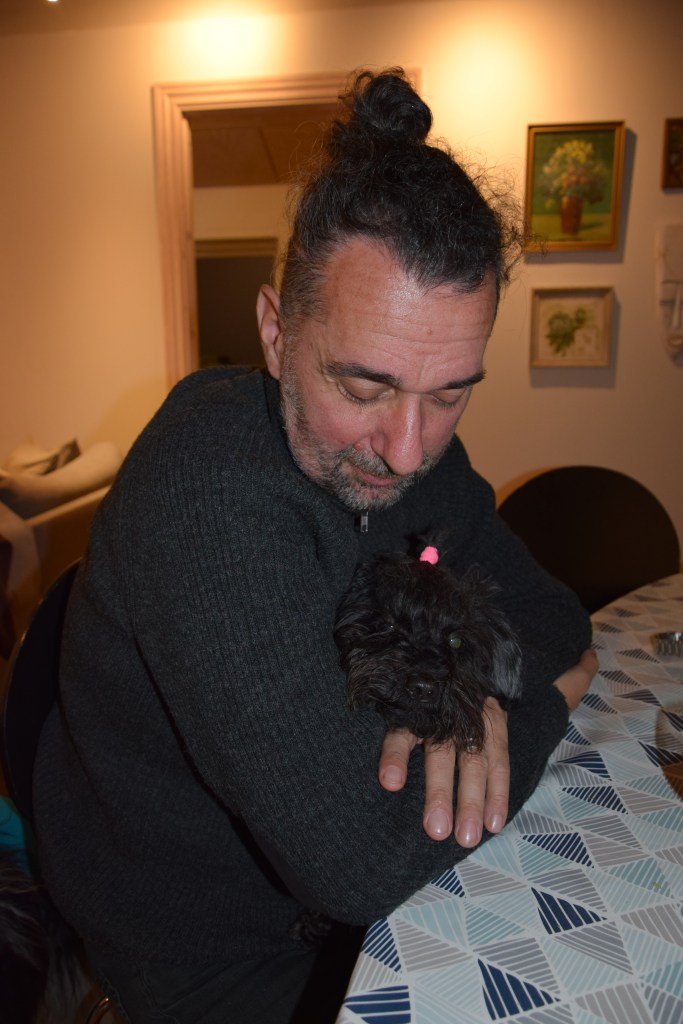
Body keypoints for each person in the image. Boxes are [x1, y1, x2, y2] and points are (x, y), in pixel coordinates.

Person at [33, 69, 596, 1024]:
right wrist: (535, 702)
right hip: (200, 947)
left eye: (449, 393)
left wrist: (470, 700)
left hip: (341, 903)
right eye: (363, 387)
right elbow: (360, 858)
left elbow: (553, 616)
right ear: (273, 331)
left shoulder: (418, 457)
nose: (407, 450)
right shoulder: (203, 490)